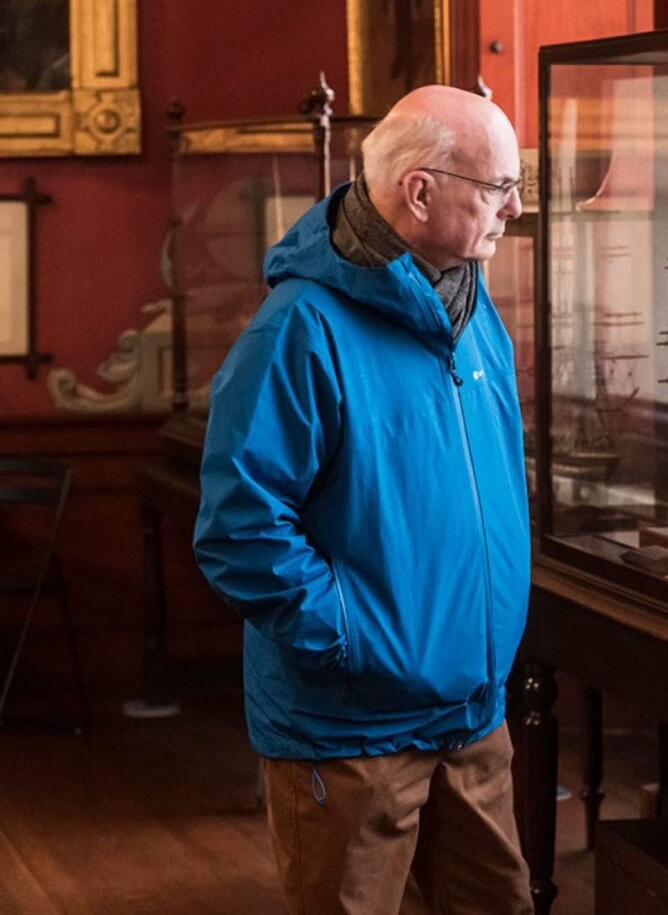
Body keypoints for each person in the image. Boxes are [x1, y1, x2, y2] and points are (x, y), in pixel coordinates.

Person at [194, 85, 533, 913]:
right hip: (349, 731)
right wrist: (353, 644)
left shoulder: (475, 309)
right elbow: (239, 533)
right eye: (498, 187)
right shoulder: (296, 330)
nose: (516, 208)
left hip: (472, 714)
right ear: (420, 192)